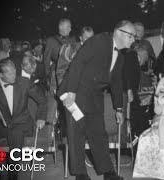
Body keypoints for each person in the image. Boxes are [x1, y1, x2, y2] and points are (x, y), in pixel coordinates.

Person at [57, 20, 136, 180]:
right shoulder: (99, 40)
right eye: (131, 36)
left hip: (94, 96)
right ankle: (80, 174)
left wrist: (119, 108)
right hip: (75, 93)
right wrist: (71, 91)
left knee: (99, 134)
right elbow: (77, 63)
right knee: (76, 134)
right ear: (119, 32)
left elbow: (116, 83)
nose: (133, 39)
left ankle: (108, 172)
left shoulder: (120, 57)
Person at [0, 58, 47, 180]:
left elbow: (42, 100)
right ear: (0, 75)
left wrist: (41, 117)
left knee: (14, 134)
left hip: (22, 123)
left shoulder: (25, 82)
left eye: (15, 71)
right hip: (2, 124)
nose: (14, 75)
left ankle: (13, 174)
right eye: (9, 73)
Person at [43, 18, 76, 92]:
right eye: (68, 27)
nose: (70, 29)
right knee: (55, 99)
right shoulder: (51, 40)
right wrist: (47, 77)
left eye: (70, 27)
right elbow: (46, 60)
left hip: (71, 73)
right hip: (56, 73)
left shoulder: (72, 40)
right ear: (60, 27)